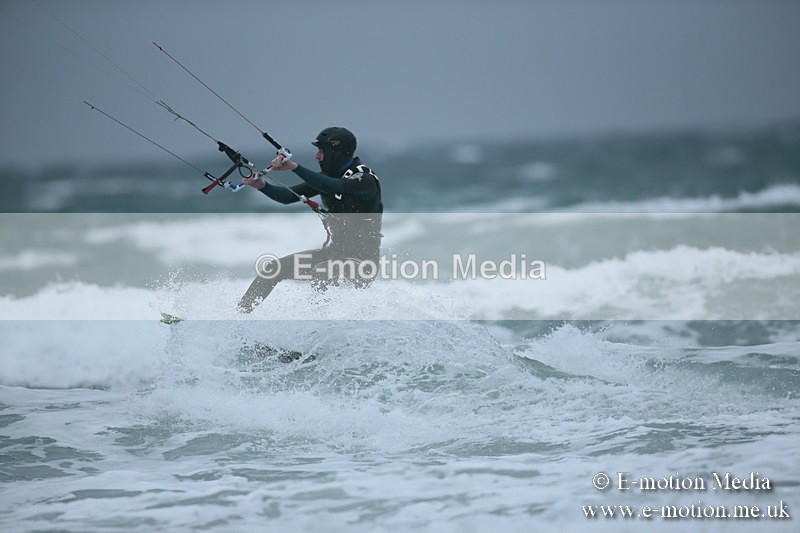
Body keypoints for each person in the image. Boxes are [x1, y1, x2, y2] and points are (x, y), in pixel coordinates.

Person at [237, 127, 383, 313]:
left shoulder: (364, 178)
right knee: (273, 269)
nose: (317, 156)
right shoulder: (327, 177)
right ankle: (238, 320)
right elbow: (288, 197)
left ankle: (317, 328)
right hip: (333, 254)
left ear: (337, 153)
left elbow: (333, 186)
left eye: (322, 151)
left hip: (363, 263)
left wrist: (294, 167)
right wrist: (262, 186)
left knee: (324, 271)